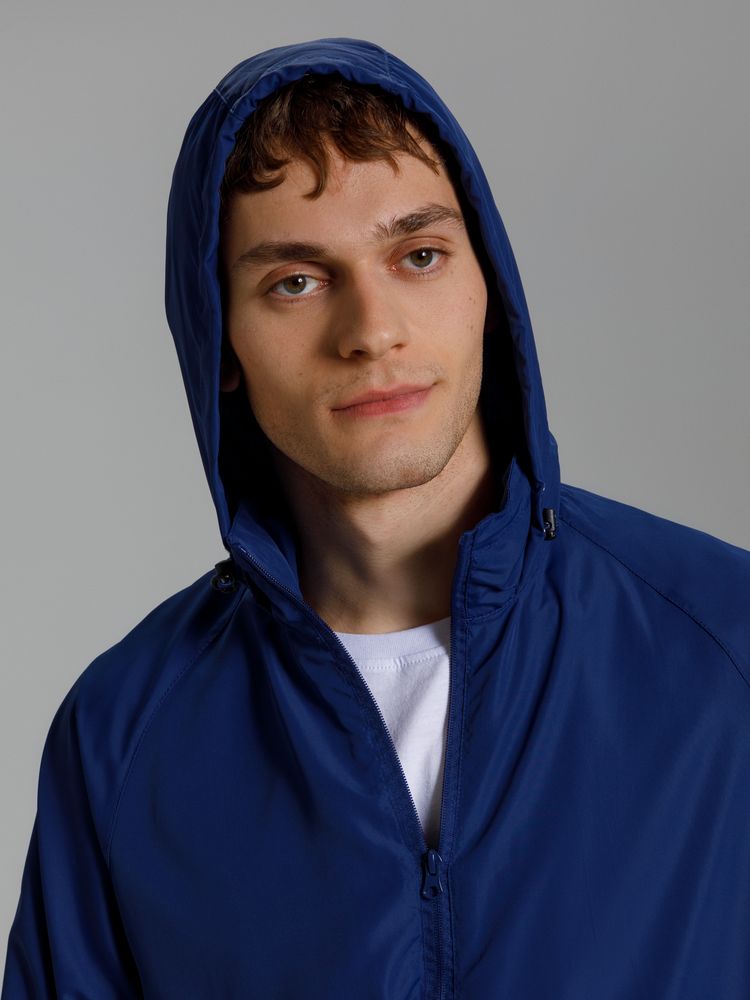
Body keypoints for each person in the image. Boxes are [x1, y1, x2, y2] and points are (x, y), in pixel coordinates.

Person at [3, 35, 750, 999]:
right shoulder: (124, 734)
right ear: (219, 342)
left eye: (419, 255)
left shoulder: (725, 649)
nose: (372, 331)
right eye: (296, 281)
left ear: (490, 289)